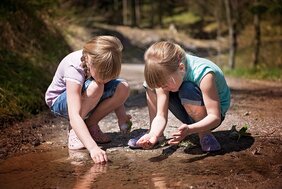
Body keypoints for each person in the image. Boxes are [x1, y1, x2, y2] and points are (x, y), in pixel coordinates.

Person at [128, 41, 230, 152]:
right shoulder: (168, 76)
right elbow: (161, 115)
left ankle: (205, 134)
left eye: (165, 84)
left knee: (187, 88)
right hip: (188, 113)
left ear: (181, 68)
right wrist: (153, 134)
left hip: (210, 117)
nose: (164, 88)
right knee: (150, 85)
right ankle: (156, 133)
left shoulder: (203, 73)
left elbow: (215, 117)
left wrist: (190, 129)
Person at [45, 36, 132, 164]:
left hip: (87, 96)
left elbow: (116, 94)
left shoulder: (104, 62)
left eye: (110, 77)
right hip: (60, 102)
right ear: (89, 62)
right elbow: (74, 114)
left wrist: (122, 117)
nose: (107, 79)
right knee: (97, 86)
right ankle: (75, 131)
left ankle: (90, 124)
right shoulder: (74, 68)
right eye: (104, 76)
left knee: (123, 87)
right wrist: (93, 148)